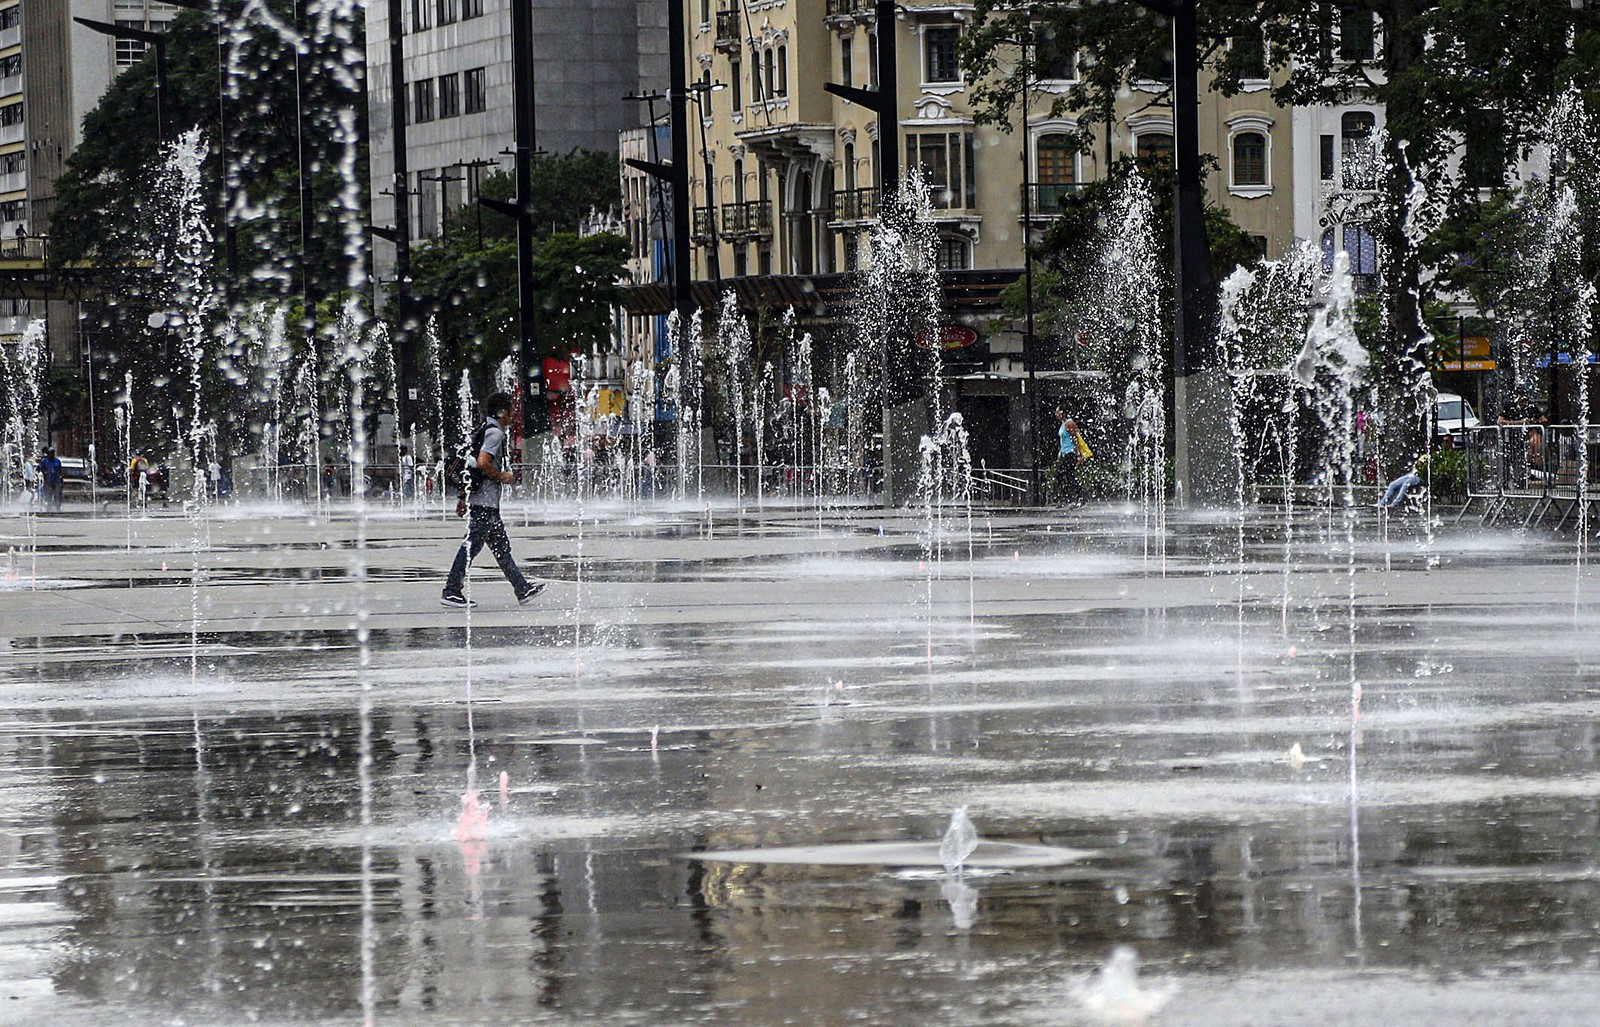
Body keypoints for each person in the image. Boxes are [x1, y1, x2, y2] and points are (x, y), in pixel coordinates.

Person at [442, 392, 544, 608]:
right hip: (484, 503)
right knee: (471, 546)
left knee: (501, 548)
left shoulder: (482, 429)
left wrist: (462, 497)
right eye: (511, 410)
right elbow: (482, 462)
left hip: (483, 501)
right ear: (502, 412)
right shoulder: (495, 433)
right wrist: (502, 476)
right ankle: (451, 590)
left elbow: (470, 467)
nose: (513, 414)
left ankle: (522, 588)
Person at [1053, 408, 1084, 505]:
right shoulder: (1063, 424)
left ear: (1063, 412)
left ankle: (1073, 497)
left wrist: (1079, 455)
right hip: (1065, 453)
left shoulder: (1069, 423)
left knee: (1063, 474)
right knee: (1066, 475)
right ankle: (1070, 497)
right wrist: (1060, 452)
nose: (1056, 414)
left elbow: (1075, 438)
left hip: (1070, 453)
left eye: (1058, 411)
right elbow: (1064, 439)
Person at [38, 447, 63, 512]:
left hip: (57, 481)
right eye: (50, 453)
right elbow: (41, 472)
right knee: (48, 496)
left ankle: (58, 508)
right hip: (48, 481)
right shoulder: (44, 462)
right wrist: (44, 482)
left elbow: (60, 471)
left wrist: (61, 480)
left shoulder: (57, 461)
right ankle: (48, 508)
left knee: (57, 495)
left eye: (53, 453)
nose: (52, 454)